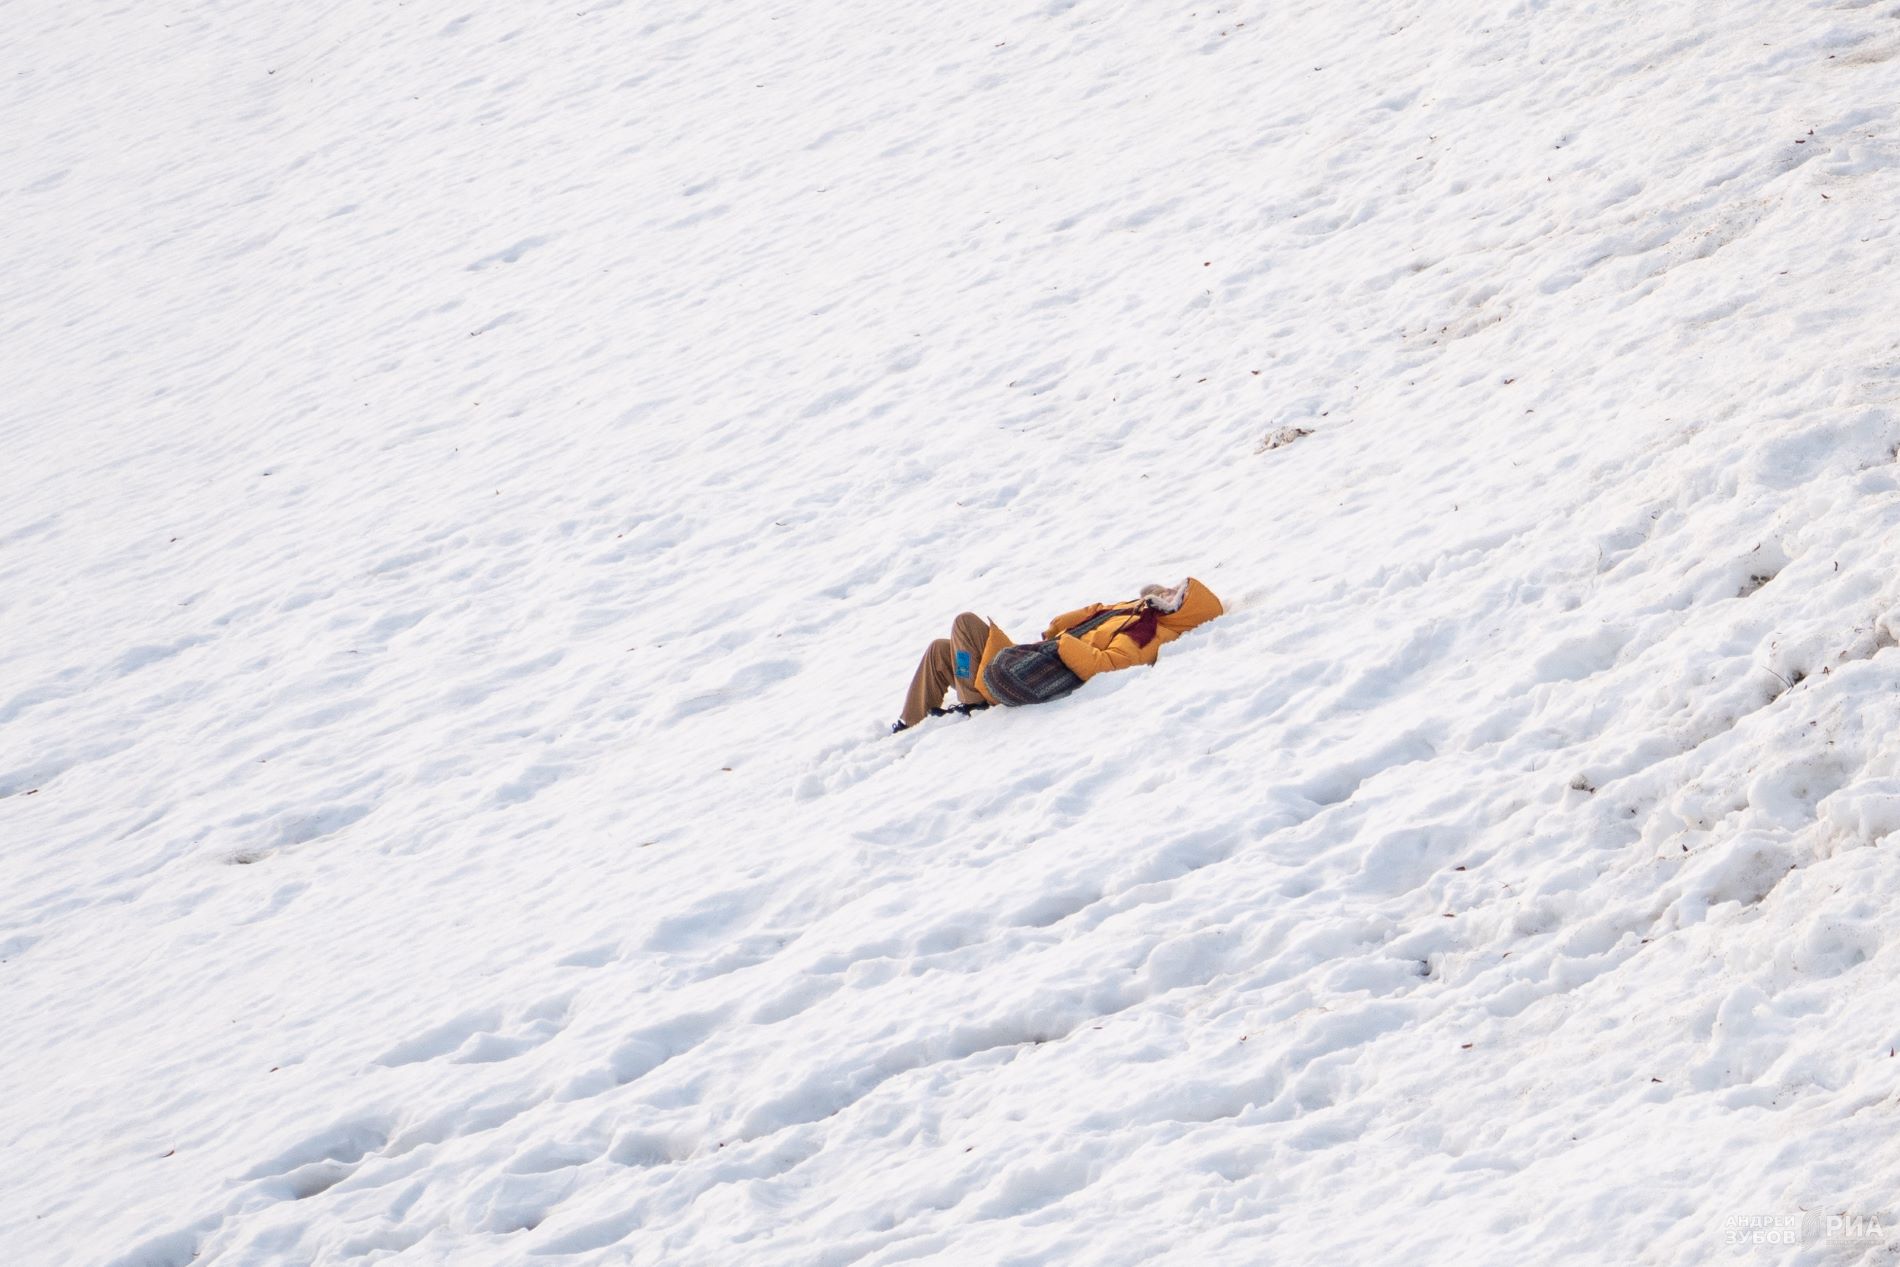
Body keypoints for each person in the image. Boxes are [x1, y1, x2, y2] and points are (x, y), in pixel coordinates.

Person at [894, 577, 1223, 732]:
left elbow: (1107, 665)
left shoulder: (1150, 633)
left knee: (965, 624)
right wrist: (1091, 614)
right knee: (941, 650)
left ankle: (974, 700)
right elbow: (1061, 627)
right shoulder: (1131, 612)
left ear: (1181, 607)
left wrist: (1065, 642)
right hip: (1034, 657)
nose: (1167, 589)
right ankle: (909, 724)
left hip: (1035, 669)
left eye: (1176, 593)